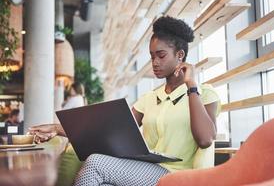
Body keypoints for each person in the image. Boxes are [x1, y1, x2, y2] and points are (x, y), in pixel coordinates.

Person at [29, 16, 221, 186]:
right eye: (152, 56)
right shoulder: (149, 98)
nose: (155, 62)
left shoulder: (204, 94)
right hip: (144, 169)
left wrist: (191, 86)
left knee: (96, 162)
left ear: (180, 55)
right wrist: (56, 128)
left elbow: (205, 139)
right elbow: (107, 128)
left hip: (177, 175)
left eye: (161, 55)